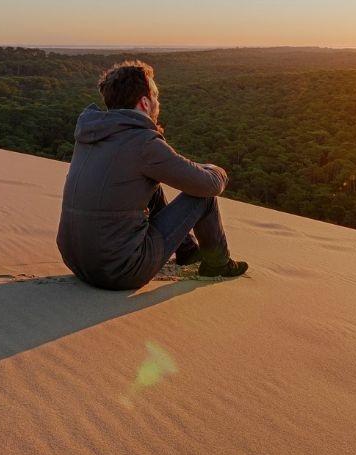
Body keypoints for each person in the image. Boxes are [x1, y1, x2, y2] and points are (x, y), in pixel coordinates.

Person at [56, 60, 248, 289]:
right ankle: (218, 263)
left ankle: (187, 251)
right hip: (120, 270)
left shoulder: (90, 134)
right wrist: (216, 170)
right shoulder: (143, 142)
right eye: (155, 96)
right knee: (203, 197)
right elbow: (208, 185)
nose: (158, 102)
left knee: (152, 188)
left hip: (77, 261)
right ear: (145, 103)